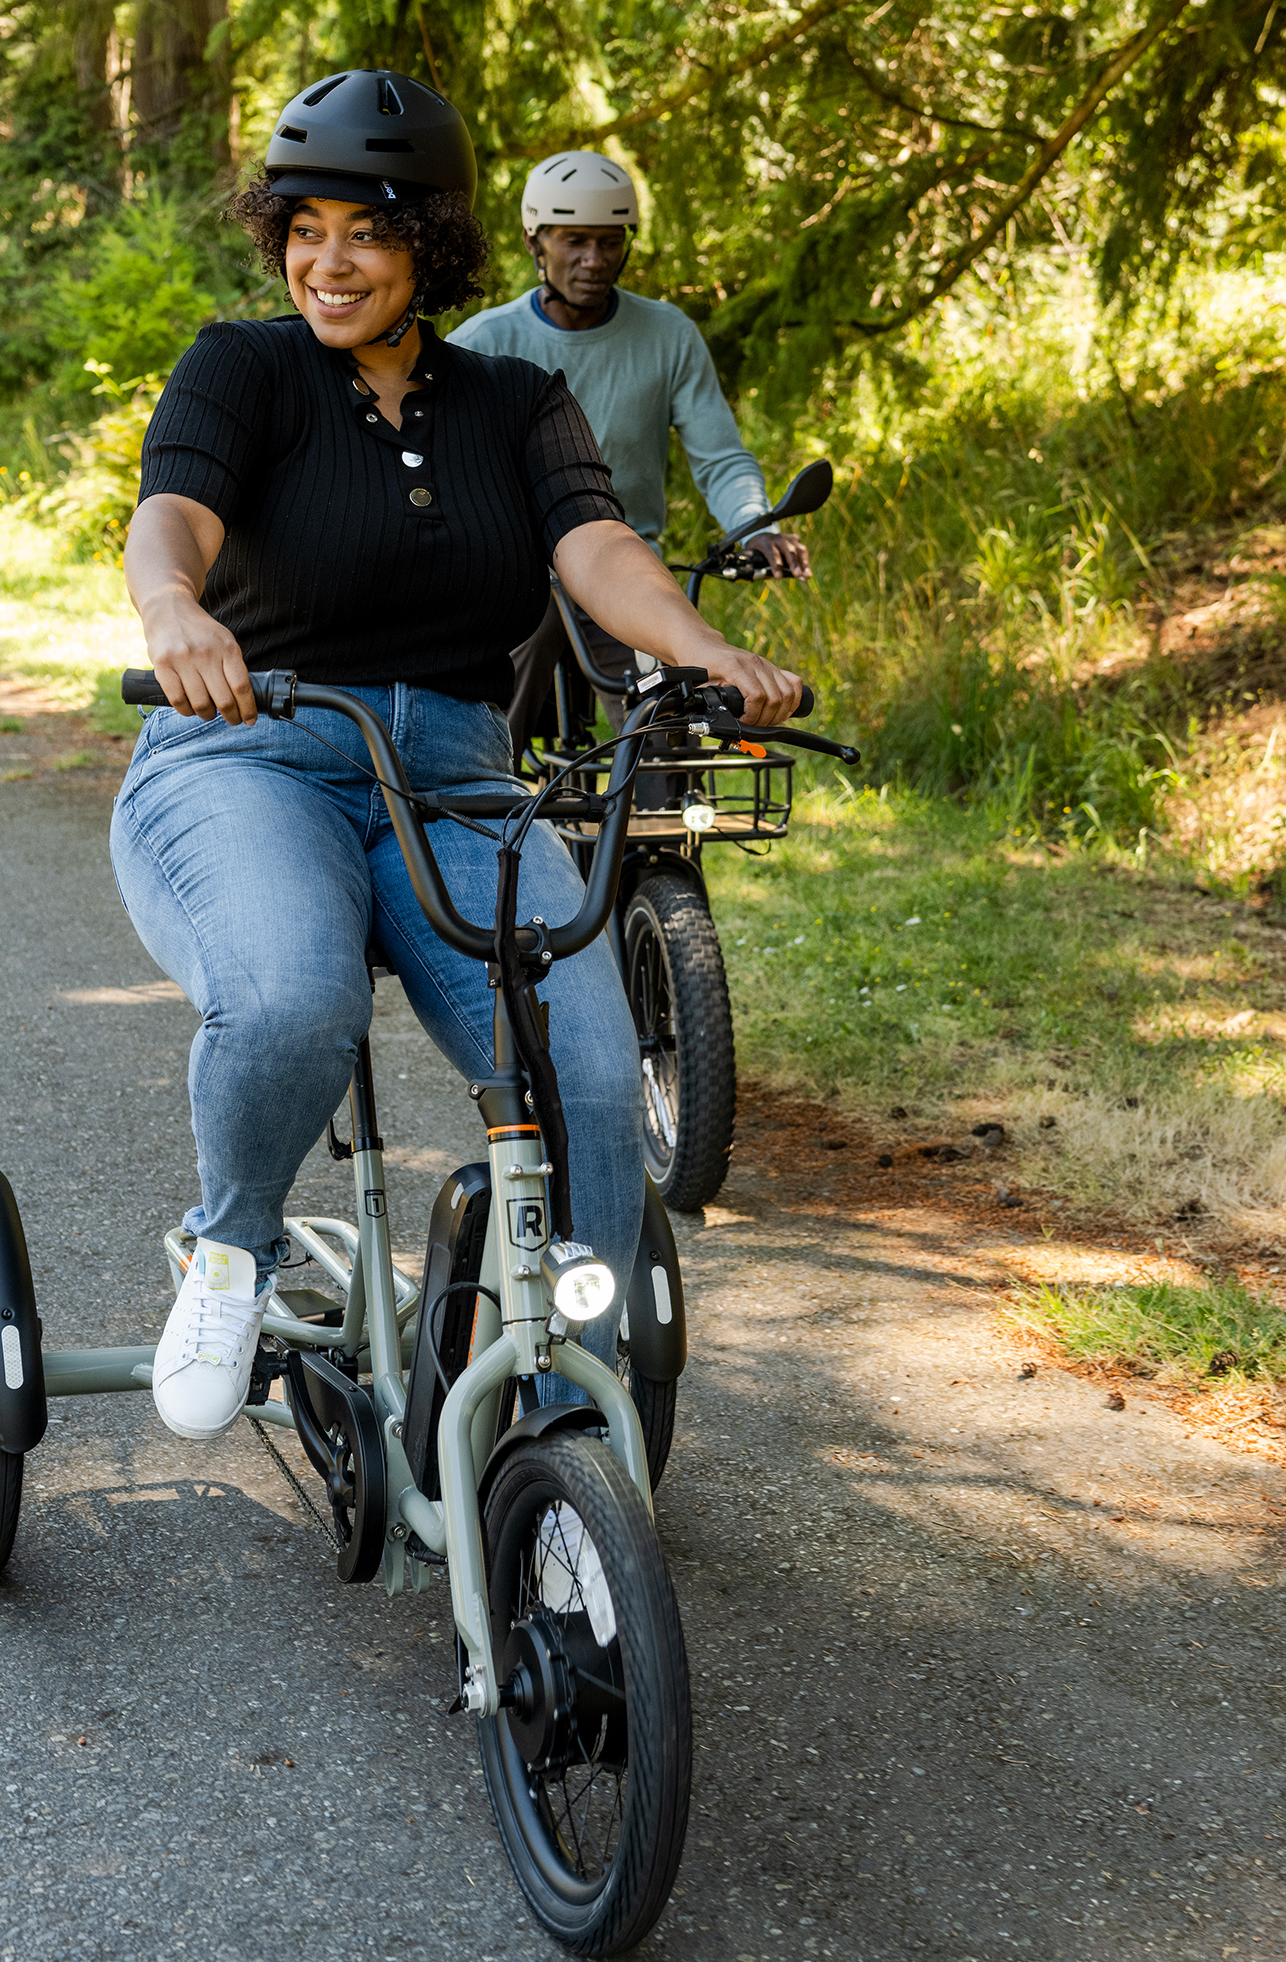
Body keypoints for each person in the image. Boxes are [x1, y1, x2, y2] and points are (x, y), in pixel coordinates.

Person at [113, 70, 802, 1442]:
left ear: (430, 239)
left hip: (463, 779)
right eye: (302, 229)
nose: (328, 261)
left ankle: (577, 1382)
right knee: (296, 997)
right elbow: (174, 515)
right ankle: (231, 1251)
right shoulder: (241, 369)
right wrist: (173, 610)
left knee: (595, 1075)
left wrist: (699, 648)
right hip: (251, 755)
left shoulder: (516, 399)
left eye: (361, 230)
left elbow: (597, 546)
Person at [451, 151, 808, 734]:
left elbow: (720, 457)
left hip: (628, 573)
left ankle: (663, 815)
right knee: (497, 694)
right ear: (535, 242)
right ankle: (481, 803)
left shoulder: (668, 334)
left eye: (610, 242)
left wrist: (757, 525)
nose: (594, 260)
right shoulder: (485, 341)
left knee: (669, 719)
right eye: (575, 241)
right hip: (517, 574)